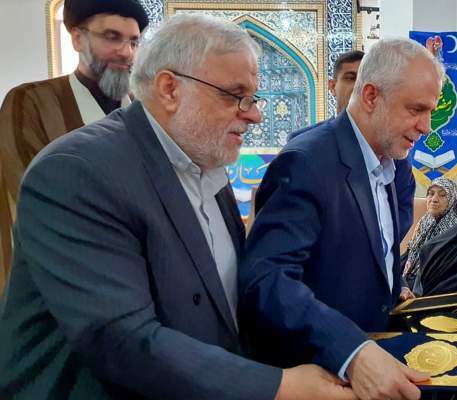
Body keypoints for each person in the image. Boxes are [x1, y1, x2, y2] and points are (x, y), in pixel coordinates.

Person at [0, 14, 355, 400]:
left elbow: (221, 304)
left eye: (253, 98)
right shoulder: (76, 172)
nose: (254, 115)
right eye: (234, 96)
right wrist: (278, 386)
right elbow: (123, 340)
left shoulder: (203, 159)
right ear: (170, 89)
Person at [239, 38, 444, 400]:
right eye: (416, 109)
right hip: (321, 374)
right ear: (371, 96)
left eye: (430, 111)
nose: (426, 126)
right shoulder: (307, 162)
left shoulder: (390, 160)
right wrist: (352, 351)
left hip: (372, 364)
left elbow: (373, 248)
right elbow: (268, 279)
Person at [0, 0, 148, 290]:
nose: (126, 52)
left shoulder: (145, 111)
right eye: (112, 37)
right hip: (57, 278)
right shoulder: (30, 102)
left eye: (133, 42)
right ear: (78, 38)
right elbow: (30, 197)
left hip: (138, 276)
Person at [288, 50, 417, 241]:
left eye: (365, 79)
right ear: (333, 86)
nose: (359, 85)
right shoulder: (304, 147)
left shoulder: (392, 147)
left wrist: (376, 248)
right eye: (351, 78)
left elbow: (403, 209)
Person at [401, 176, 457, 288]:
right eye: (431, 193)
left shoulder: (455, 228)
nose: (434, 199)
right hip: (410, 278)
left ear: (452, 199)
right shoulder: (425, 220)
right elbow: (409, 253)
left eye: (442, 195)